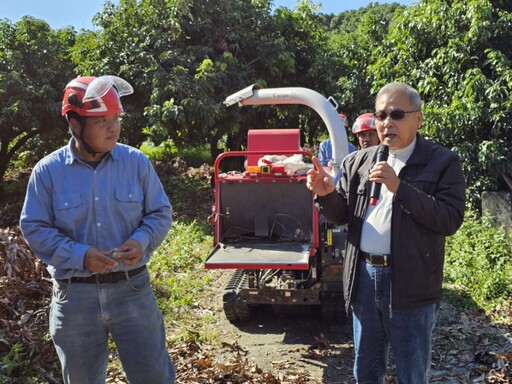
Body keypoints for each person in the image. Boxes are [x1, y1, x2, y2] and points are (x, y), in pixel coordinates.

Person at [19, 75, 176, 383]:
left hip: (132, 291)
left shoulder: (136, 163)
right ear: (75, 125)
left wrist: (142, 240)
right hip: (75, 298)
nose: (113, 128)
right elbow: (34, 227)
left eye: (116, 118)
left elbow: (161, 212)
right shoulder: (48, 172)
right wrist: (81, 255)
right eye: (101, 121)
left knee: (153, 377)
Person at [306, 82, 465, 383]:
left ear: (418, 118)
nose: (387, 123)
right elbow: (342, 215)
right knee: (365, 370)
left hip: (410, 282)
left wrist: (399, 188)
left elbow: (450, 219)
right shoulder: (359, 161)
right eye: (380, 116)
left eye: (396, 114)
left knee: (412, 372)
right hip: (364, 277)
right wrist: (326, 193)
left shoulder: (442, 162)